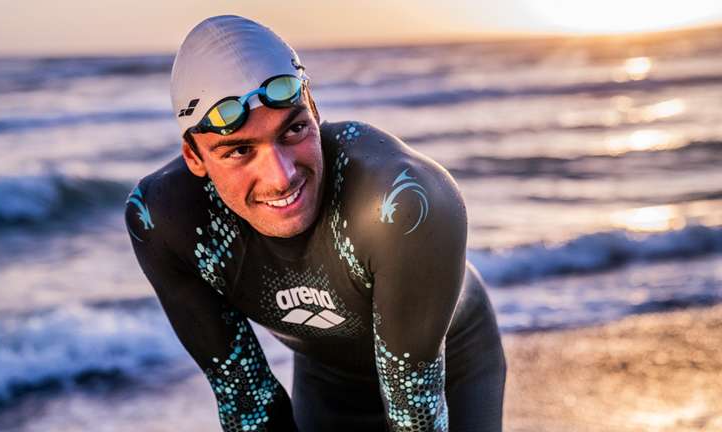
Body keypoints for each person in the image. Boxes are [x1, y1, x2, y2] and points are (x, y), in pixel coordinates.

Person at [125, 15, 506, 432]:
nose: (281, 176)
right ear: (195, 157)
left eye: (294, 129)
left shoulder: (401, 202)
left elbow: (415, 414)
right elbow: (247, 401)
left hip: (452, 366)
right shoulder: (163, 221)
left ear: (315, 110)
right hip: (328, 380)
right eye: (239, 151)